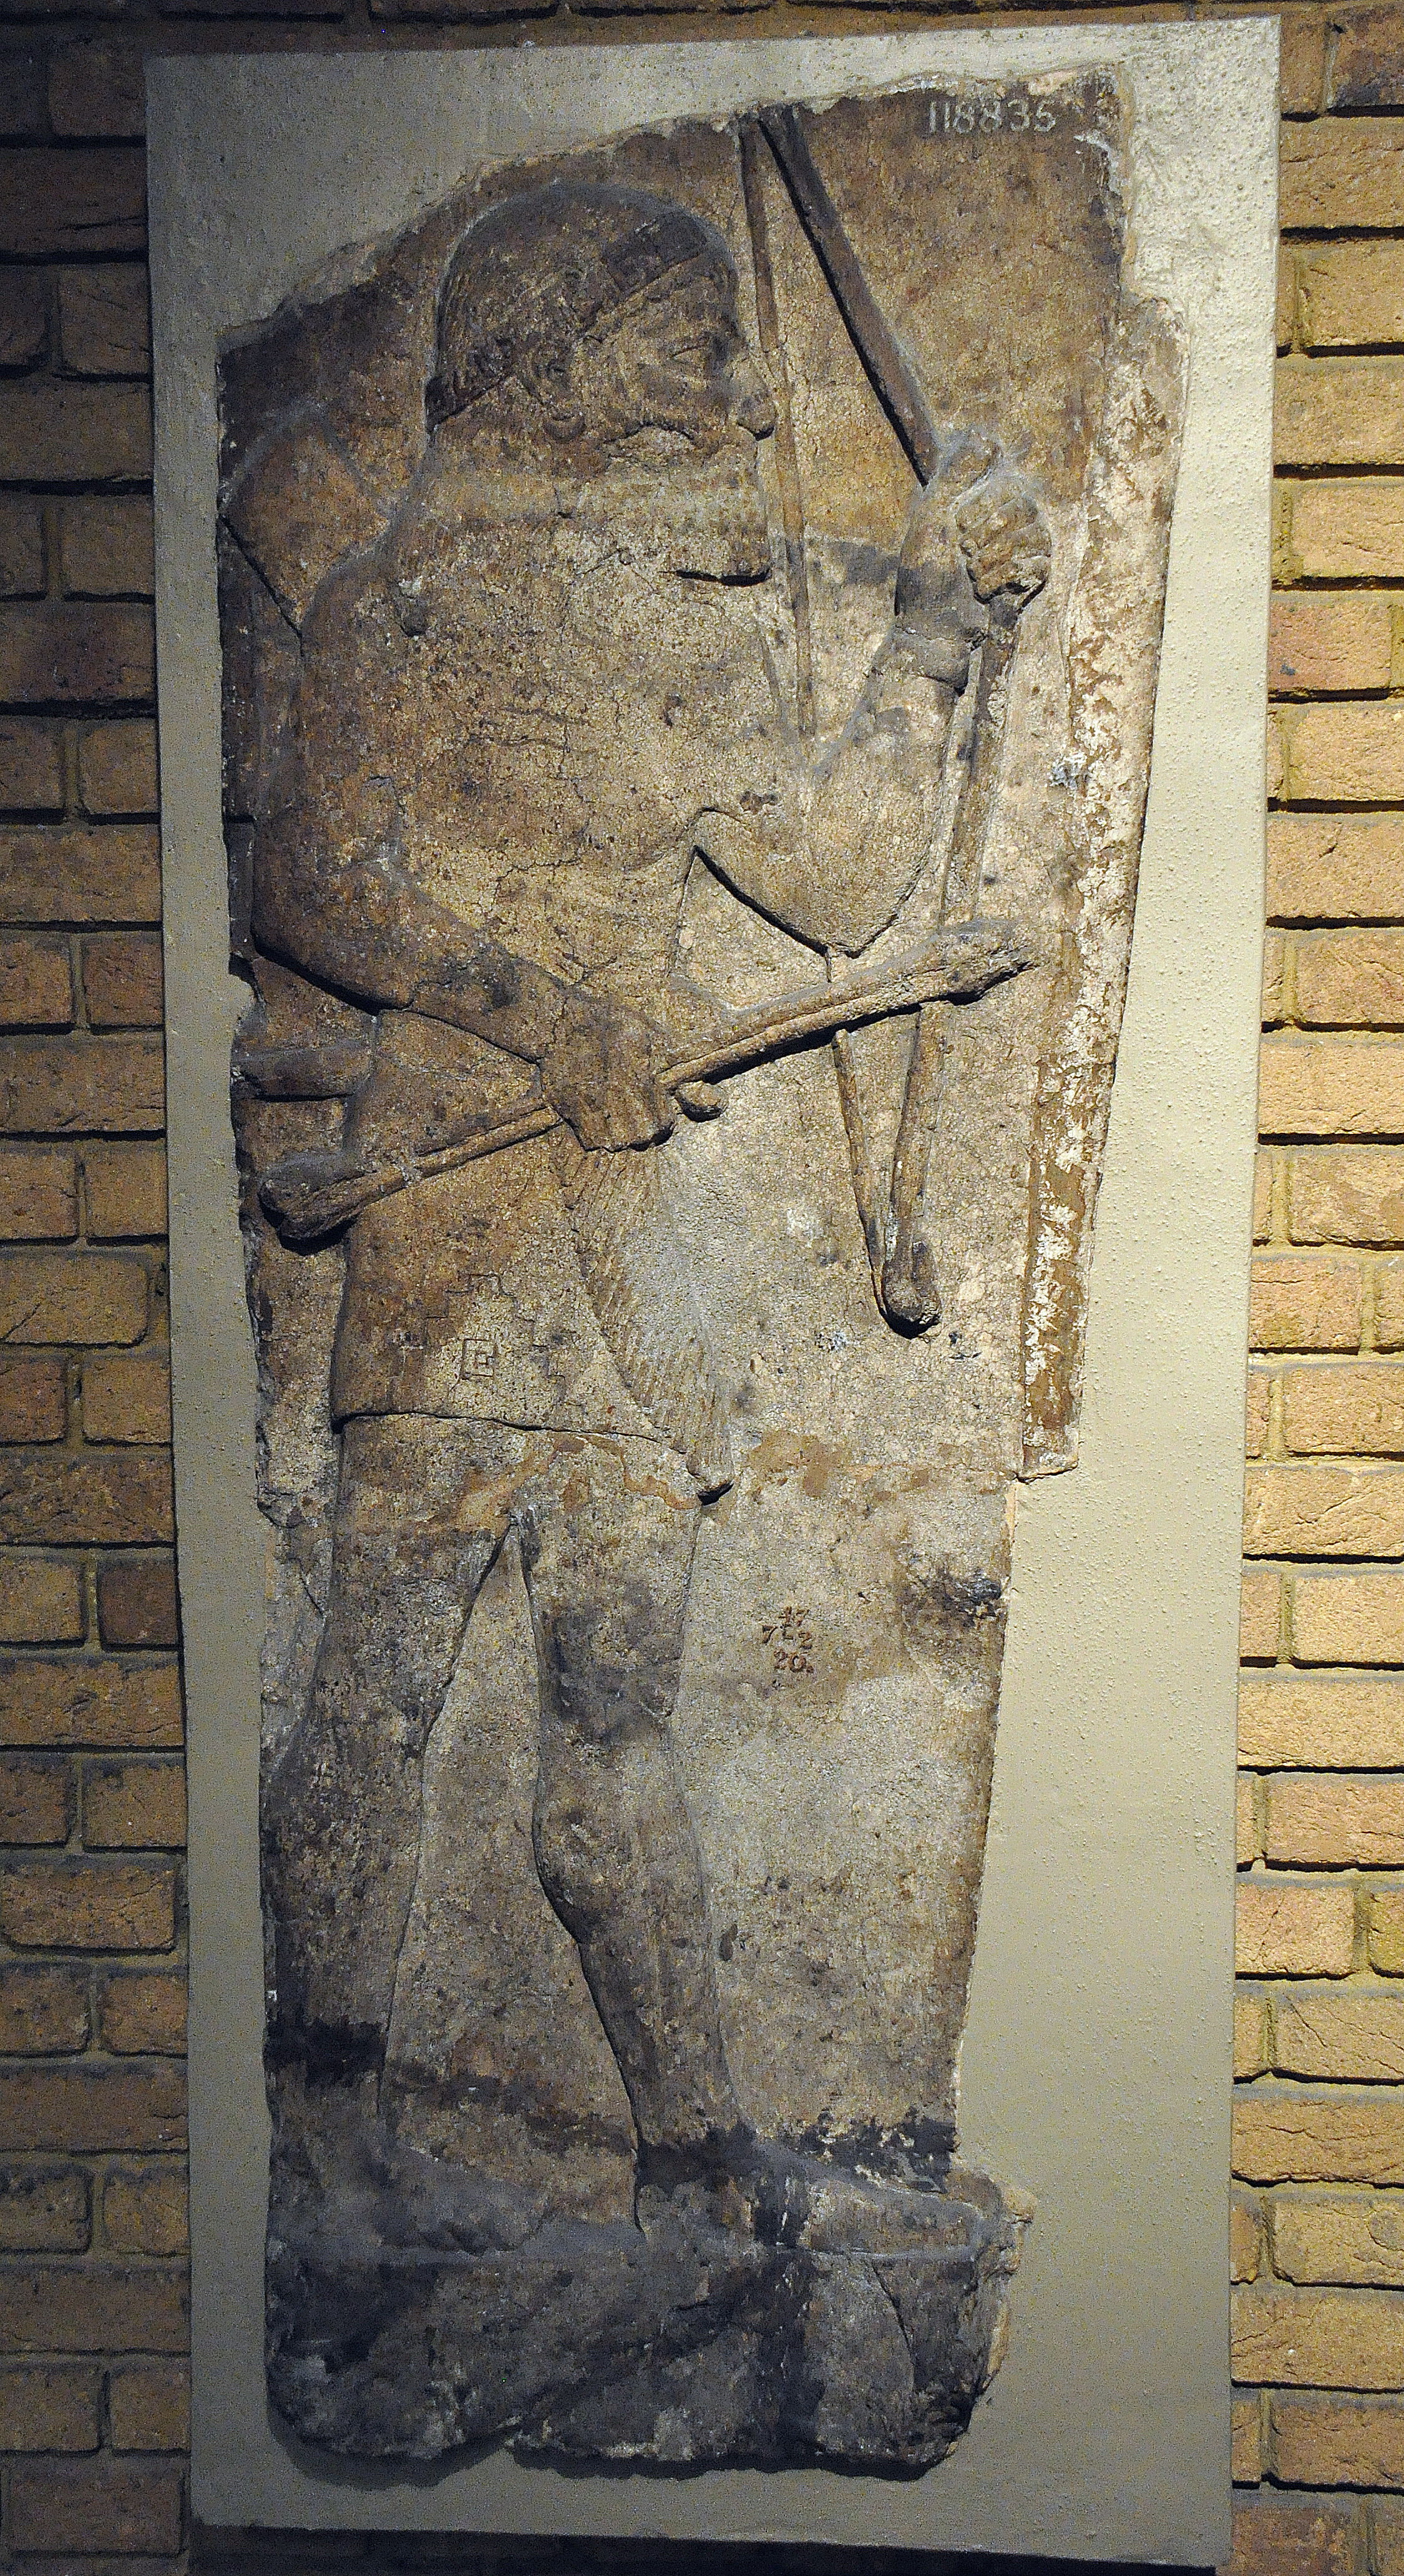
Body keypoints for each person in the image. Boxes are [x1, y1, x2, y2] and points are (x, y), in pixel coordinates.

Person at [253, 179, 1049, 2242]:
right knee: (382, 1679)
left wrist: (934, 636)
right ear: (568, 359)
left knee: (614, 1709)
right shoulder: (399, 598)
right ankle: (326, 2147)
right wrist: (549, 1016)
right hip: (458, 1209)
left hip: (639, 1230)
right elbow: (312, 886)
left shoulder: (688, 613)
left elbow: (834, 884)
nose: (747, 399)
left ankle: (693, 2164)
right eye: (695, 347)